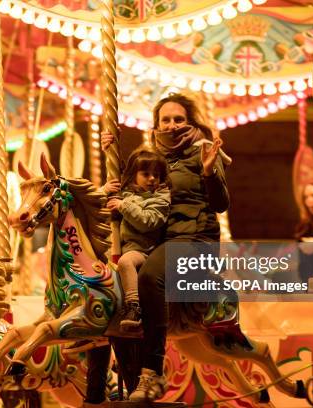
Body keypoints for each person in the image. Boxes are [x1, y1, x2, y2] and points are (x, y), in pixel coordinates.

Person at [101, 92, 229, 401]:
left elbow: (221, 204)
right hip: (161, 241)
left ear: (191, 121)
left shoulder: (203, 150)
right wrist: (108, 153)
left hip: (195, 239)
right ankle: (123, 364)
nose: (172, 126)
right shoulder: (155, 157)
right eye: (166, 120)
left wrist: (209, 172)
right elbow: (133, 185)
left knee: (148, 278)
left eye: (179, 119)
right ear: (157, 124)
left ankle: (153, 372)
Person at [104, 147, 171, 330]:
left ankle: (134, 307)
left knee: (126, 262)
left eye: (156, 175)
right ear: (134, 175)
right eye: (146, 174)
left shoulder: (161, 199)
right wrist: (105, 191)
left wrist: (124, 206)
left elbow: (147, 221)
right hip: (122, 247)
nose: (151, 179)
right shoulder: (127, 193)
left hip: (144, 251)